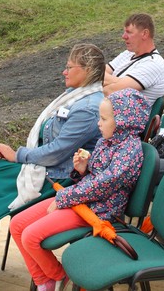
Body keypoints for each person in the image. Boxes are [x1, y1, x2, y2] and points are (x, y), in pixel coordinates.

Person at [0, 44, 108, 291]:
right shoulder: (77, 97)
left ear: (87, 70)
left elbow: (56, 151)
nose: (63, 72)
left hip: (58, 180)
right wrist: (21, 157)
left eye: (69, 67)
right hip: (46, 171)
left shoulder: (88, 107)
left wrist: (18, 156)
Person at [9, 88, 148, 291]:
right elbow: (94, 177)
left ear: (123, 122)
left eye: (104, 119)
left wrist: (64, 197)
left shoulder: (129, 151)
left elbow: (103, 184)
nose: (98, 123)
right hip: (79, 200)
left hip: (97, 211)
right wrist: (82, 170)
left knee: (30, 236)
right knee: (17, 224)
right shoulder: (106, 141)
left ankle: (59, 276)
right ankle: (45, 281)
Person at [103, 13, 164, 105]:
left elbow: (110, 91)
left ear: (144, 34)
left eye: (129, 32)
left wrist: (102, 81)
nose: (124, 36)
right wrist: (119, 81)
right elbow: (96, 73)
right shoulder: (128, 54)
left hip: (123, 117)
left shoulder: (153, 64)